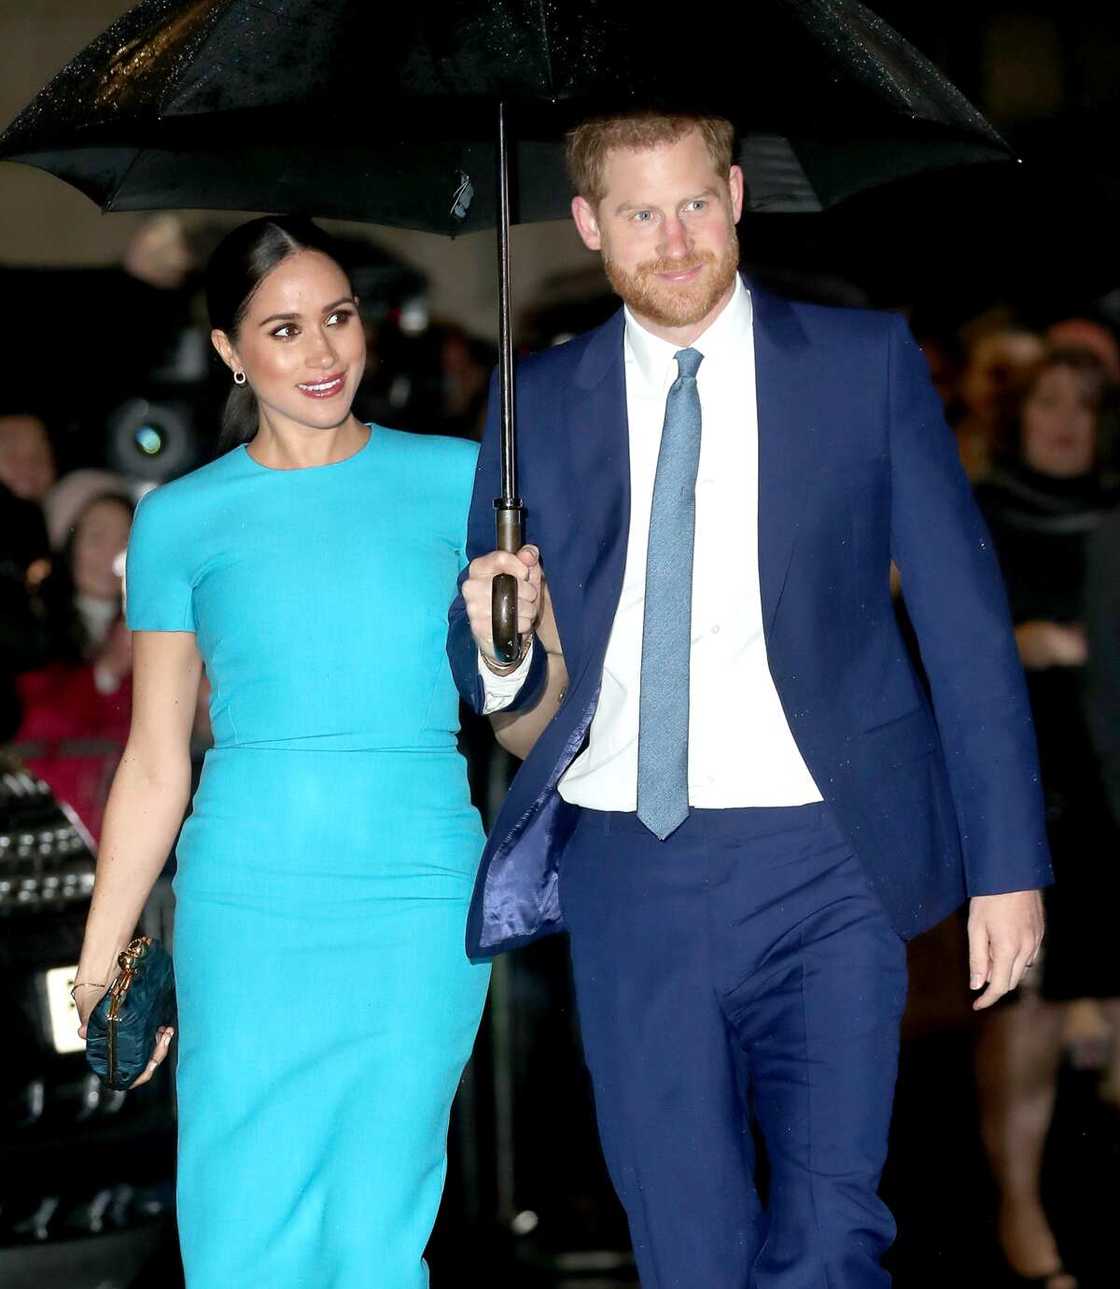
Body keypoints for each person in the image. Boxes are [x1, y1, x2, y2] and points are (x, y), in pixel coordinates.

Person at [448, 113, 1051, 1288]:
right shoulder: (538, 398)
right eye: (639, 213)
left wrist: (1007, 866)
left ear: (733, 196)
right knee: (690, 1251)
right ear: (588, 224)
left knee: (830, 1235)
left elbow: (966, 628)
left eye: (693, 205)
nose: (673, 241)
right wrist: (502, 642)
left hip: (827, 857)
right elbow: (494, 676)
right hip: (630, 867)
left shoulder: (861, 363)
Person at [70, 216, 490, 1289]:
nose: (323, 351)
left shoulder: (461, 480)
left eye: (337, 317)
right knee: (242, 1234)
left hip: (417, 896)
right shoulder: (180, 520)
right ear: (228, 349)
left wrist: (516, 646)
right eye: (285, 328)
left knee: (375, 1234)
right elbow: (155, 758)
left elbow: (531, 706)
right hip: (248, 903)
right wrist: (103, 952)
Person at [974, 348, 1120, 1289]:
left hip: (1112, 776)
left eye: (1084, 405)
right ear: (1015, 415)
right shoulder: (977, 512)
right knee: (1025, 999)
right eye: (1048, 402)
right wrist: (1013, 643)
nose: (1065, 420)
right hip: (1028, 786)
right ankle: (1019, 1207)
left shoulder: (1114, 515)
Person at [14, 490, 134, 838]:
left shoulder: (154, 628)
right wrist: (104, 673)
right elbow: (30, 726)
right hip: (49, 826)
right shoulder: (30, 624)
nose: (111, 552)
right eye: (96, 538)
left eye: (124, 540)